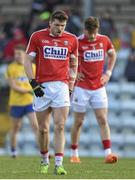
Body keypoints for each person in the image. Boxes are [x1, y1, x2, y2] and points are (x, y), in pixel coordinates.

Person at [23, 10, 78, 175]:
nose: (59, 29)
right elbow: (27, 61)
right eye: (56, 25)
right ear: (50, 24)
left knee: (60, 126)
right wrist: (33, 83)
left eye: (62, 26)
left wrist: (70, 86)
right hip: (42, 87)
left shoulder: (72, 39)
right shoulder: (37, 37)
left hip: (61, 86)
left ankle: (59, 164)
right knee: (43, 129)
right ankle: (44, 159)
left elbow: (74, 65)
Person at [70, 16, 118, 164]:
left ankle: (108, 154)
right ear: (85, 30)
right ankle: (74, 153)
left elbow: (112, 54)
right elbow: (65, 59)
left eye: (94, 33)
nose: (92, 36)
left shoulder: (104, 40)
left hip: (98, 86)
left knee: (103, 119)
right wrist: (72, 73)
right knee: (79, 121)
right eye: (89, 33)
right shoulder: (77, 42)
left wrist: (108, 73)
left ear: (98, 30)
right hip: (81, 88)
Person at [6, 44, 38, 158]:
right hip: (16, 103)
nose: (16, 56)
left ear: (24, 54)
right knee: (15, 128)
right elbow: (13, 86)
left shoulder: (32, 67)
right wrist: (28, 90)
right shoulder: (11, 68)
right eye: (15, 54)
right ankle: (13, 151)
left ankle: (43, 151)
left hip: (29, 101)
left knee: (35, 125)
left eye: (19, 54)